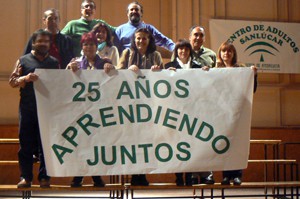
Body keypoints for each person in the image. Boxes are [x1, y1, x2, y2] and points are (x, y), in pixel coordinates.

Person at [9, 29, 60, 188]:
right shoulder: (23, 61)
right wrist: (25, 78)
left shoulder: (54, 62)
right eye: (40, 41)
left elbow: (59, 85)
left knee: (46, 144)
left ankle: (45, 178)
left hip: (47, 110)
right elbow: (12, 81)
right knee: (26, 144)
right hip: (28, 108)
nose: (43, 44)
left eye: (46, 41)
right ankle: (26, 177)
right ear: (34, 43)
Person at [67, 32, 114, 187]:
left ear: (96, 46)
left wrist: (112, 69)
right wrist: (68, 70)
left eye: (92, 44)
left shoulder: (105, 62)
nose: (89, 47)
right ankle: (78, 176)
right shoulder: (75, 62)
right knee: (80, 143)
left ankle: (96, 176)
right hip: (80, 110)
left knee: (97, 143)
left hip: (99, 109)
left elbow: (116, 80)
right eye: (86, 44)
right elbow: (64, 82)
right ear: (82, 47)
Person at [117, 28, 163, 185]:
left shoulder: (155, 55)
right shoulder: (127, 54)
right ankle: (133, 174)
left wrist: (158, 71)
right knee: (132, 139)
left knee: (146, 139)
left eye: (144, 38)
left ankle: (142, 174)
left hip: (150, 104)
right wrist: (127, 70)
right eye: (138, 38)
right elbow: (117, 73)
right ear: (134, 40)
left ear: (149, 40)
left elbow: (165, 78)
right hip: (130, 104)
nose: (141, 41)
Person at [165, 39, 209, 186]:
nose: (183, 52)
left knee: (190, 144)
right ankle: (178, 176)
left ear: (190, 51)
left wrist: (206, 73)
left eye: (185, 49)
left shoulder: (198, 67)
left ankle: (190, 174)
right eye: (180, 49)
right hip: (174, 112)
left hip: (193, 112)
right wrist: (166, 75)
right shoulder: (169, 66)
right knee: (177, 144)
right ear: (176, 51)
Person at [216, 41, 257, 185]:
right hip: (222, 114)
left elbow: (252, 89)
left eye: (229, 51)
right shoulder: (216, 69)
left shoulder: (242, 69)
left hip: (238, 112)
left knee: (237, 143)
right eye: (224, 51)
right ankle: (226, 176)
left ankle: (238, 175)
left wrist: (253, 75)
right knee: (224, 144)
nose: (226, 54)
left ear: (233, 54)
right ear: (220, 54)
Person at [187, 25, 216, 185]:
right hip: (188, 104)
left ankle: (207, 172)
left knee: (206, 138)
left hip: (206, 103)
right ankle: (192, 172)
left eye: (201, 35)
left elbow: (220, 75)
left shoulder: (211, 55)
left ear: (204, 38)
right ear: (190, 37)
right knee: (189, 138)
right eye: (195, 35)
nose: (198, 38)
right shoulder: (182, 51)